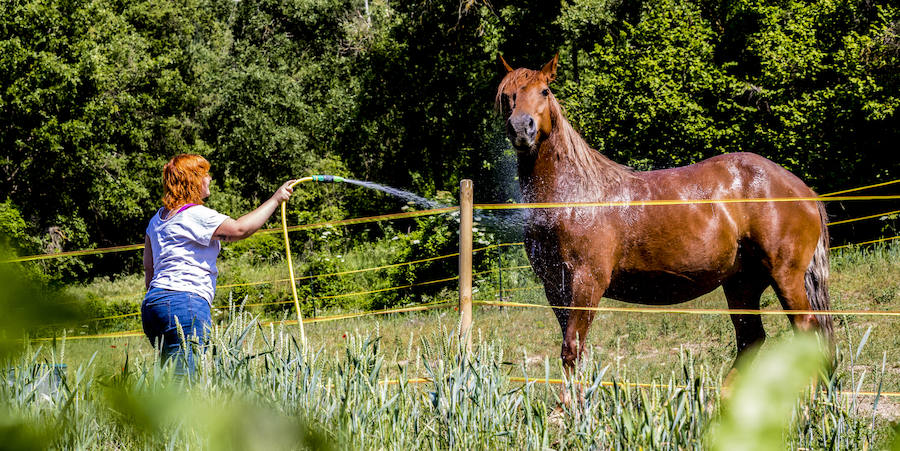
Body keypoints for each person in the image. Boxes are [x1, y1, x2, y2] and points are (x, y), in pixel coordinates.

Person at [142, 154, 295, 375]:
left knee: (168, 380)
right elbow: (239, 230)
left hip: (153, 304)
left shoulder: (156, 220)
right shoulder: (195, 215)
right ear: (193, 180)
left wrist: (162, 299)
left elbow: (150, 269)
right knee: (184, 384)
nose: (210, 178)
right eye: (204, 174)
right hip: (185, 302)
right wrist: (276, 199)